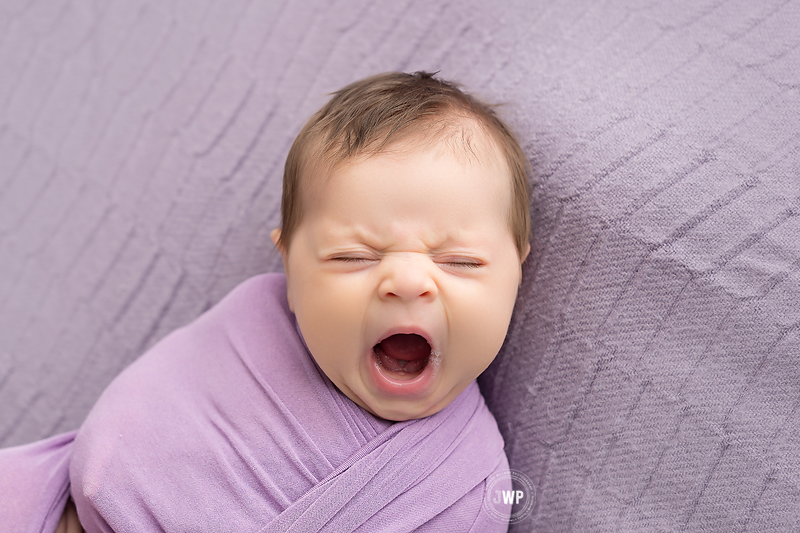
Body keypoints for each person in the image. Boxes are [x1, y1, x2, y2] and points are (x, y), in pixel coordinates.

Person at [2, 71, 531, 532]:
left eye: (461, 261)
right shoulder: (253, 320)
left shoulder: (468, 493)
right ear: (289, 270)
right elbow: (144, 414)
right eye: (352, 257)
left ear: (518, 267)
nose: (409, 282)